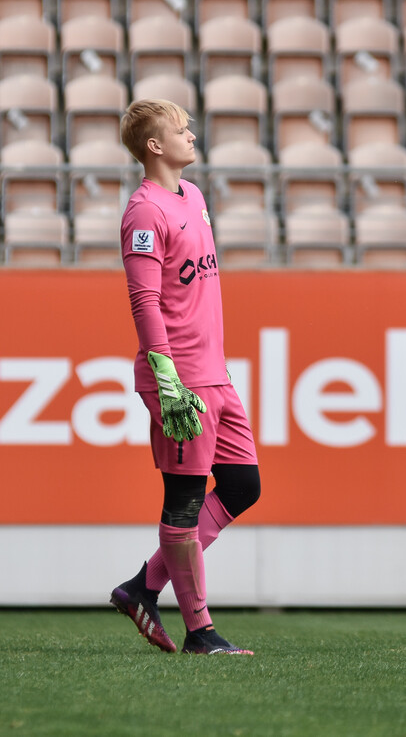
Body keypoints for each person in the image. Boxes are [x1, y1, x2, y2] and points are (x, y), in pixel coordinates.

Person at [109, 99, 261, 655]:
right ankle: (201, 631)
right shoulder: (143, 212)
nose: (190, 134)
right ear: (155, 145)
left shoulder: (192, 198)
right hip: (180, 381)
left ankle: (143, 587)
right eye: (180, 129)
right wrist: (165, 373)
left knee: (245, 486)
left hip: (215, 375)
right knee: (184, 503)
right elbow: (144, 299)